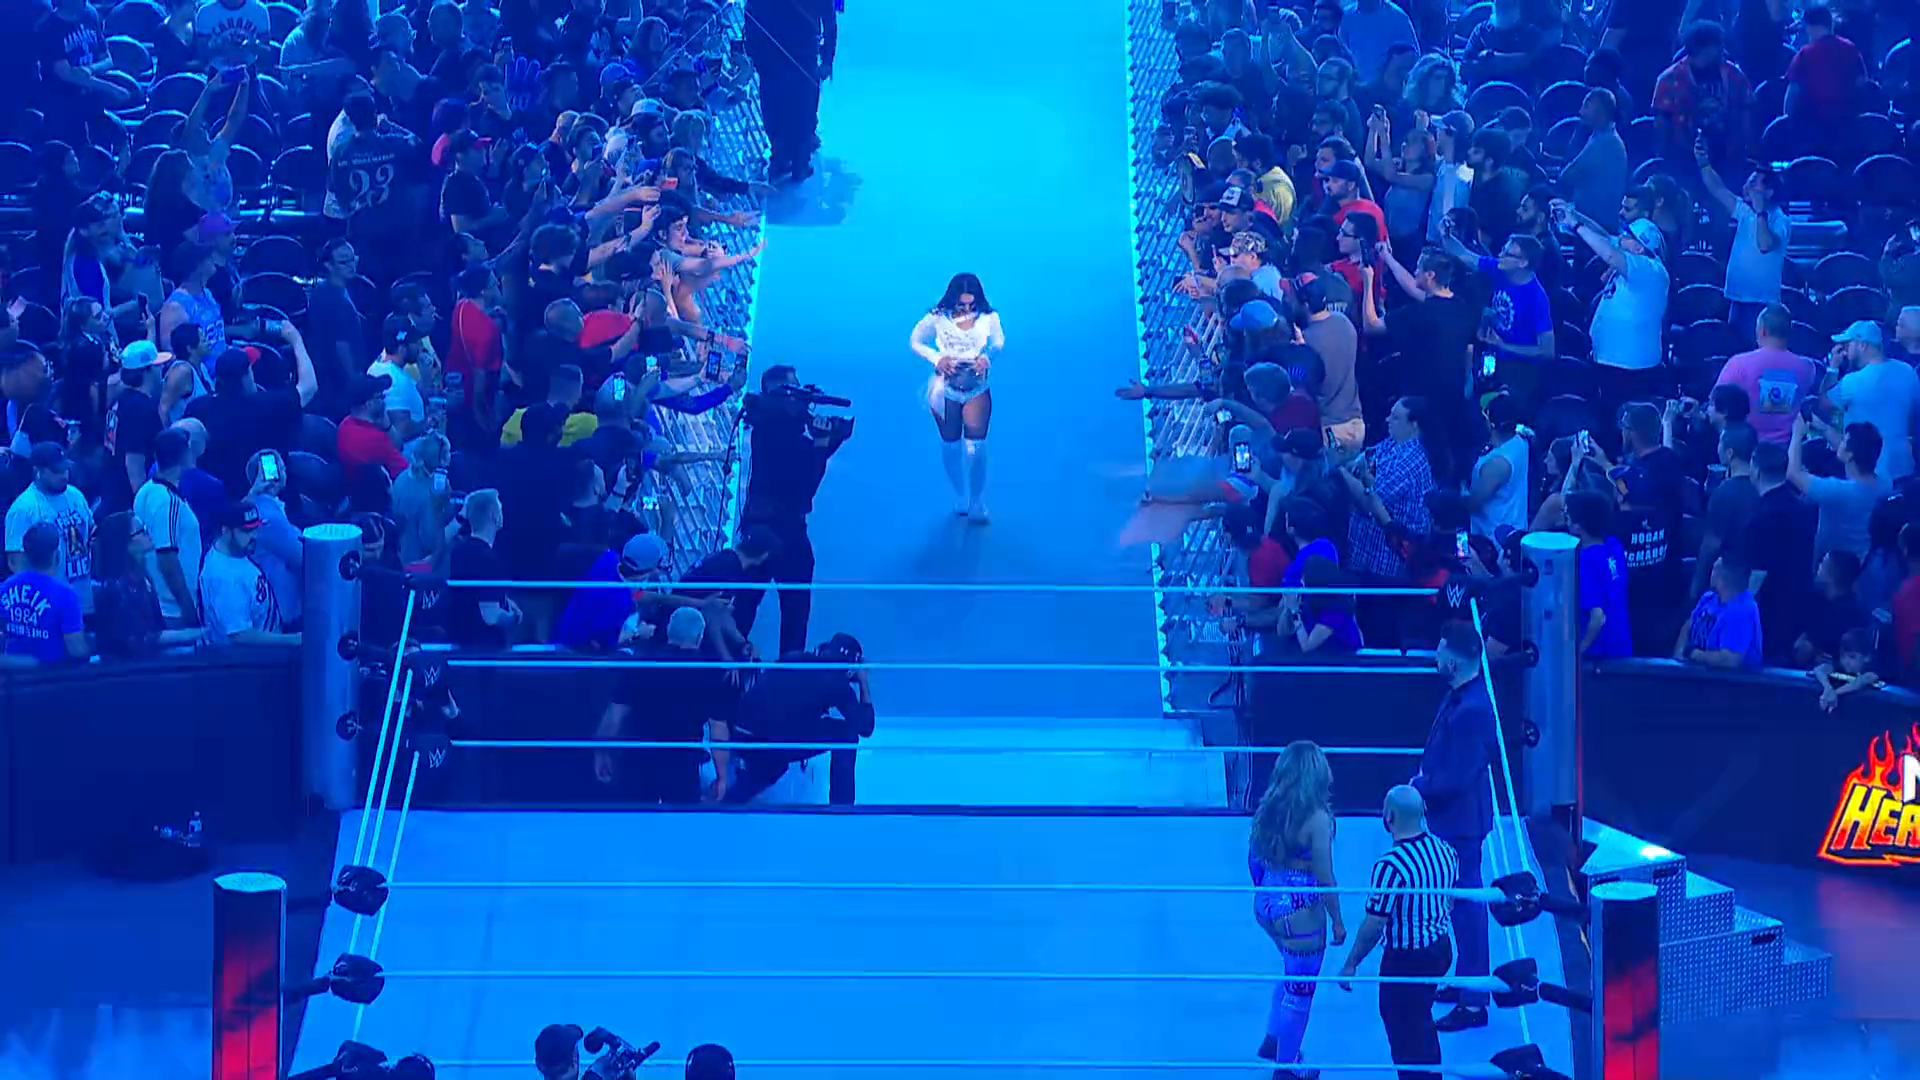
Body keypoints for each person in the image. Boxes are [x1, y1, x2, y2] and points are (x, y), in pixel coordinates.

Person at [1409, 620, 1497, 1032]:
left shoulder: (1473, 709)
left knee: (1467, 909)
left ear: (1455, 660)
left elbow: (1460, 775)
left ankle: (1475, 1002)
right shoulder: (1461, 696)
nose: (1435, 656)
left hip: (1462, 822)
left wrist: (1419, 787)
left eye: (1440, 649)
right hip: (1453, 818)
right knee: (1457, 905)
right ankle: (1466, 982)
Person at [1336, 784, 1458, 1080]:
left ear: (1388, 817)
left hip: (1408, 959)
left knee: (1404, 1028)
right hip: (1441, 948)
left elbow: (1374, 924)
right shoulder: (1446, 851)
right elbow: (1450, 901)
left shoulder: (1391, 866)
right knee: (1420, 1018)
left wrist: (1351, 964)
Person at [738, 367, 853, 657]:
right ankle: (788, 672)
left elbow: (804, 458)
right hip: (785, 532)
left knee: (744, 606)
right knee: (794, 613)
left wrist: (825, 441)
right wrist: (823, 443)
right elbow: (805, 486)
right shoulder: (785, 436)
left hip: (757, 528)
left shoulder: (767, 427)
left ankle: (728, 663)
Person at [1248, 741, 1346, 1076]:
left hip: (1268, 900)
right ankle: (1287, 1067)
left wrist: (1265, 895)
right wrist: (1337, 921)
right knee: (1301, 990)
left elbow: (1253, 859)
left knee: (1291, 972)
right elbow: (1325, 876)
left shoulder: (1268, 809)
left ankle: (1274, 1039)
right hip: (1301, 911)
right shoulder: (1317, 819)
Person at [592, 606, 731, 802]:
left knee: (638, 819)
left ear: (668, 632)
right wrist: (722, 776)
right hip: (682, 762)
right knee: (679, 819)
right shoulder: (709, 674)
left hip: (640, 760)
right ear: (699, 637)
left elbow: (614, 717)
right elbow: (718, 730)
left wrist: (601, 752)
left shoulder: (642, 666)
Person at [721, 633, 874, 805]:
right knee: (846, 735)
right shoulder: (836, 681)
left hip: (743, 734)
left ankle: (729, 803)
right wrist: (863, 682)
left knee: (773, 764)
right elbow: (865, 727)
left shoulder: (791, 658)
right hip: (773, 740)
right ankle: (841, 809)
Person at [909, 273, 1005, 521]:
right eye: (961, 304)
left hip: (976, 389)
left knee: (976, 449)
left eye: (971, 304)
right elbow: (915, 340)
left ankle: (977, 500)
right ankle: (961, 495)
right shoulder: (938, 318)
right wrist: (937, 358)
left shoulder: (988, 318)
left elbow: (998, 342)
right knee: (951, 447)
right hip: (946, 390)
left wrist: (987, 357)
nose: (967, 309)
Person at [92, 511, 207, 658]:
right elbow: (139, 638)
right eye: (141, 531)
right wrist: (188, 634)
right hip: (124, 666)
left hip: (149, 659)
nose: (148, 534)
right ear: (126, 543)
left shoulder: (142, 577)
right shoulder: (115, 589)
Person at [6, 442, 94, 617]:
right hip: (48, 606)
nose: (64, 475)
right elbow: (17, 562)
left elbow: (91, 533)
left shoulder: (75, 495)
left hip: (83, 597)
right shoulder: (24, 509)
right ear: (38, 472)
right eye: (57, 471)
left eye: (65, 469)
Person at [1825, 321, 1920, 482]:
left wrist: (1833, 367)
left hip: (1868, 474)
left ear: (1862, 345)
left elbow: (1822, 405)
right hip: (1903, 469)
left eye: (1848, 345)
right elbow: (1915, 416)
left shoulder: (1852, 381)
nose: (1845, 352)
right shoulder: (1908, 371)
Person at [1716, 304, 1816, 447]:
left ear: (1762, 331)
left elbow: (1716, 404)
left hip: (1746, 451)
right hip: (1790, 450)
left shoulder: (1738, 364)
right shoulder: (1807, 368)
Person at [200, 499, 297, 645]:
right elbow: (240, 636)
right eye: (246, 531)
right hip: (253, 655)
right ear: (226, 531)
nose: (254, 536)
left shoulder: (228, 548)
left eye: (255, 529)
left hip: (268, 636)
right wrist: (292, 640)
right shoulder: (224, 579)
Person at [0, 522, 88, 664]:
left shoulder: (5, 589)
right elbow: (77, 650)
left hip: (13, 675)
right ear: (57, 555)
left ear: (25, 555)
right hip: (53, 676)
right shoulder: (66, 595)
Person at [446, 488, 521, 647]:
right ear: (494, 515)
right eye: (500, 507)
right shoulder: (488, 559)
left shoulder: (458, 552)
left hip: (461, 642)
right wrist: (514, 618)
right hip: (484, 647)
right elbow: (490, 616)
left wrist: (504, 601)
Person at [1678, 555, 1765, 670]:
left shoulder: (1742, 611)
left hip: (1728, 680)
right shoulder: (1708, 598)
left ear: (1722, 579)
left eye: (1714, 568)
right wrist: (1678, 657)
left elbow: (1729, 659)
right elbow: (1687, 626)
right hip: (1693, 674)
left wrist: (1694, 654)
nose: (1711, 572)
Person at [337, 373, 410, 479]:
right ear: (369, 404)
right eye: (381, 397)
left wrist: (387, 426)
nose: (384, 402)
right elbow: (404, 469)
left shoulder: (344, 426)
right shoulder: (375, 438)